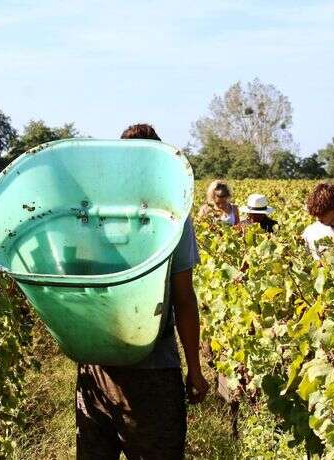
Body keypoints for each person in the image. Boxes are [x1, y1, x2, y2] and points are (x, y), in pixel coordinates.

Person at [76, 123, 209, 459]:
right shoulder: (172, 218)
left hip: (96, 364)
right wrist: (194, 368)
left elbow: (79, 284)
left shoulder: (93, 215)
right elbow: (184, 298)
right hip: (153, 369)